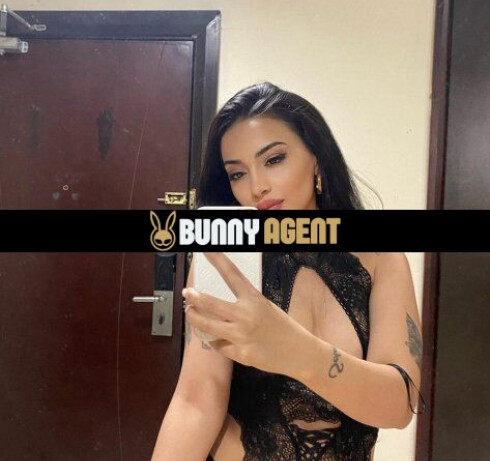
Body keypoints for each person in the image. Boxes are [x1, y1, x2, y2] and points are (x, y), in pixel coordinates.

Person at [151, 82, 426, 461]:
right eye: (237, 174)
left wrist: (295, 351)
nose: (257, 187)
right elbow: (196, 401)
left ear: (317, 158)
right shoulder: (226, 257)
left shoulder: (382, 258)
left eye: (274, 159)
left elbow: (398, 407)